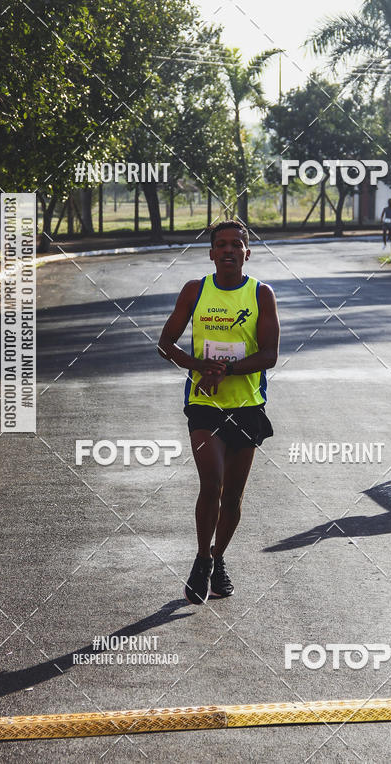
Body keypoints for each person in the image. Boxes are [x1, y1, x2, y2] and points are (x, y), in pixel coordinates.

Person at [157, 221, 280, 604]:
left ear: (247, 253)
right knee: (212, 482)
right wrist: (197, 366)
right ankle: (201, 557)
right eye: (221, 245)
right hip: (204, 405)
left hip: (246, 406)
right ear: (211, 254)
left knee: (234, 497)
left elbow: (269, 355)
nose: (229, 250)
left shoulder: (261, 294)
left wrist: (223, 369)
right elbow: (165, 343)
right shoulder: (195, 291)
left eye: (236, 244)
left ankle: (218, 558)